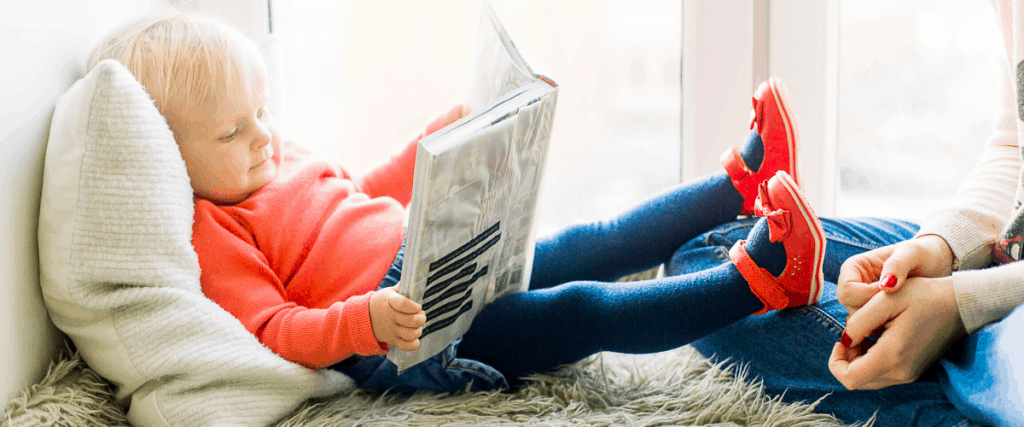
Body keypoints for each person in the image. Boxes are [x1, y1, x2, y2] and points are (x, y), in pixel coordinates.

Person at [87, 11, 832, 395]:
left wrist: (428, 149)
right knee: (582, 308)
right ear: (169, 156)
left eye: (260, 111)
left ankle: (736, 183)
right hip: (416, 330)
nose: (262, 137)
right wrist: (365, 322)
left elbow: (357, 192)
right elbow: (278, 329)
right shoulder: (212, 230)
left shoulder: (274, 157)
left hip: (443, 255)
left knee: (588, 238)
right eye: (231, 131)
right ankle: (760, 279)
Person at [672, 1, 1024, 426]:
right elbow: (1013, 145)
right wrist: (941, 248)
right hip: (1007, 253)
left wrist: (963, 305)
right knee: (710, 258)